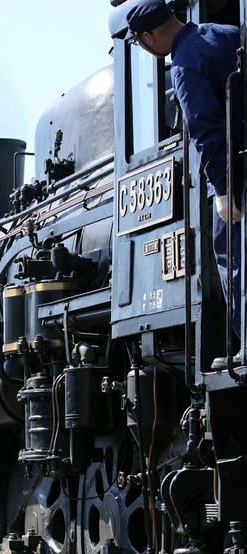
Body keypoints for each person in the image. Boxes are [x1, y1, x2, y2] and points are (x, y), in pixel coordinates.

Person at [120, 0, 243, 368]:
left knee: (233, 256)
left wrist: (222, 188)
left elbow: (205, 128)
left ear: (147, 38)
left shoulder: (185, 63)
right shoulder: (229, 34)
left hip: (234, 174)